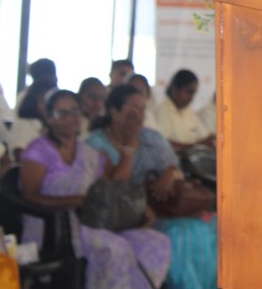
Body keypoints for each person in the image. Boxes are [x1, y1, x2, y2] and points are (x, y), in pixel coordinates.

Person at [19, 89, 171, 289]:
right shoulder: (38, 150)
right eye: (61, 113)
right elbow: (29, 196)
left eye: (74, 111)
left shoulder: (89, 153)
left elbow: (115, 187)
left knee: (156, 242)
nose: (69, 118)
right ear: (48, 117)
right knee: (115, 249)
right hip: (55, 225)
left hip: (92, 220)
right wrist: (74, 201)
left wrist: (142, 209)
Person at [87, 85, 218, 289]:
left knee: (207, 226)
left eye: (142, 108)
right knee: (179, 233)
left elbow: (174, 167)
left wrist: (167, 175)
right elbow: (114, 188)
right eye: (133, 109)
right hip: (123, 214)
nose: (139, 115)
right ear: (114, 112)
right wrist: (129, 147)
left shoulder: (150, 136)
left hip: (161, 206)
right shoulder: (95, 143)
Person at [154, 70, 214, 152]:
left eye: (194, 93)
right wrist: (197, 145)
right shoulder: (162, 111)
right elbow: (163, 145)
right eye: (189, 92)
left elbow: (203, 136)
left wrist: (210, 140)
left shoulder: (188, 111)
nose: (191, 97)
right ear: (174, 89)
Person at [8, 77, 57, 162]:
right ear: (34, 101)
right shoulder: (23, 124)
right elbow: (20, 154)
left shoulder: (51, 125)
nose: (48, 107)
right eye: (44, 101)